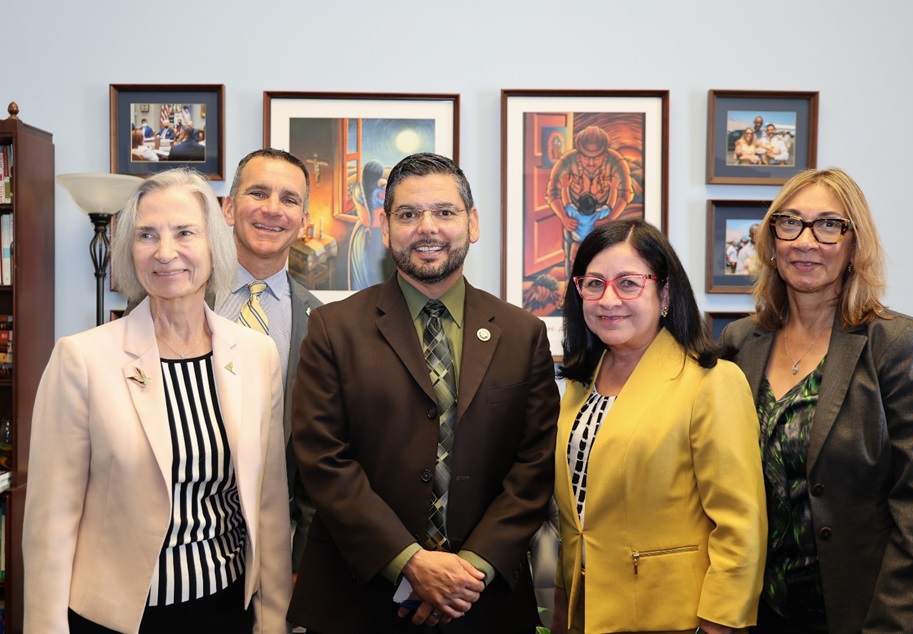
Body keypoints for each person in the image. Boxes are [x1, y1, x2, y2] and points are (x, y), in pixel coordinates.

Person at [289, 152, 559, 633]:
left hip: (485, 602)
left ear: (472, 223)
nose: (427, 228)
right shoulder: (333, 329)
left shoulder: (524, 334)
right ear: (384, 225)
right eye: (408, 214)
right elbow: (322, 459)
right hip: (358, 600)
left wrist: (469, 571)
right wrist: (411, 562)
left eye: (445, 212)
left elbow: (534, 466)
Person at [23, 168, 293, 633]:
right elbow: (50, 523)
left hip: (225, 608)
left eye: (184, 232)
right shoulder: (82, 359)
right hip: (117, 617)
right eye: (147, 234)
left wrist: (272, 620)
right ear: (131, 248)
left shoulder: (255, 354)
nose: (165, 252)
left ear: (213, 243)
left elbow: (267, 504)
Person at [720, 168, 913, 633]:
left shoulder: (897, 341)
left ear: (854, 245)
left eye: (829, 225)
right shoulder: (740, 341)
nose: (806, 241)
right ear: (771, 241)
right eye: (791, 223)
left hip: (871, 610)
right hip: (763, 611)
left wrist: (894, 622)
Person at [551, 218, 767, 634]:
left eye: (628, 283)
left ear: (664, 292)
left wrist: (719, 625)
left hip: (677, 619)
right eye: (593, 284)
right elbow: (576, 516)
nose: (608, 299)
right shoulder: (581, 385)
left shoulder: (711, 382)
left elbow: (742, 524)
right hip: (586, 613)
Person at [218, 148, 323, 572]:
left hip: (275, 547)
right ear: (228, 208)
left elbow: (320, 457)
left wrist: (303, 567)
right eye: (258, 193)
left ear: (303, 220)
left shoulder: (324, 325)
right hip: (176, 543)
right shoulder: (172, 301)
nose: (272, 210)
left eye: (289, 199)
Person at [546, 125, 635, 275]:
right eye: (586, 157)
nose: (591, 163)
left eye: (596, 158)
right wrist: (564, 217)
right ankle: (571, 294)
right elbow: (553, 193)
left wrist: (611, 218)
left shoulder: (617, 161)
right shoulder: (566, 161)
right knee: (573, 260)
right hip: (574, 222)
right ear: (578, 154)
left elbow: (625, 194)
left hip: (605, 223)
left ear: (605, 155)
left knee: (606, 259)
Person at [348, 158, 394, 290]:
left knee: (362, 271)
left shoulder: (358, 190)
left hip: (361, 233)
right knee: (377, 273)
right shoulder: (380, 193)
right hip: (378, 235)